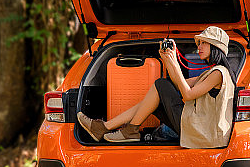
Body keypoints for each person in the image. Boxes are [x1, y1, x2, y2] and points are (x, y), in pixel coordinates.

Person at [77, 25, 236, 147]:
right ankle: (108, 127)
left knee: (160, 84)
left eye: (204, 43)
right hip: (195, 128)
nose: (199, 46)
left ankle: (124, 129)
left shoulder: (219, 73)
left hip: (202, 133)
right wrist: (167, 60)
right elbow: (178, 85)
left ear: (216, 47)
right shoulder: (211, 73)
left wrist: (174, 61)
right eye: (199, 43)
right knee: (156, 95)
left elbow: (187, 94)